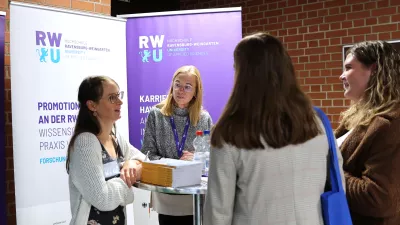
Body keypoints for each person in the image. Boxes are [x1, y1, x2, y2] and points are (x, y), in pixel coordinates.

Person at [203, 33, 345, 225]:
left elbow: (218, 213)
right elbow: (338, 184)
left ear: (242, 74)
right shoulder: (317, 122)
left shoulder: (230, 133)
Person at [336, 41, 400, 225]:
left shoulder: (391, 124)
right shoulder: (356, 117)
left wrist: (332, 172)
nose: (341, 76)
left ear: (373, 70)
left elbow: (378, 199)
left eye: (348, 68)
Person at [66, 76, 146, 225]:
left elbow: (143, 160)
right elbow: (102, 198)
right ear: (92, 105)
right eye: (112, 98)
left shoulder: (115, 138)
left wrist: (131, 163)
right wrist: (127, 182)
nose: (120, 102)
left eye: (118, 96)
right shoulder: (85, 142)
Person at [141, 65, 213, 225]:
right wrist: (173, 166)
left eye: (188, 87)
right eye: (177, 84)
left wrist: (197, 157)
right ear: (172, 86)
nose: (181, 90)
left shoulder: (204, 118)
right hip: (167, 193)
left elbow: (211, 157)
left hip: (194, 196)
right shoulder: (156, 114)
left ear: (196, 91)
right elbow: (147, 154)